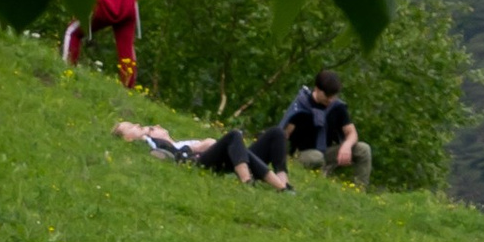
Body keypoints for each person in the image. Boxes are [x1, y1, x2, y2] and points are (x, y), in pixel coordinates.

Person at [266, 66, 370, 185]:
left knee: (364, 149)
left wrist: (346, 145)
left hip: (326, 152)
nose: (331, 100)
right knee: (316, 157)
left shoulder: (337, 108)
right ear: (317, 89)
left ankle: (359, 189)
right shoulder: (301, 106)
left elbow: (351, 133)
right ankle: (320, 181)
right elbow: (284, 134)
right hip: (303, 154)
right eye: (328, 96)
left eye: (333, 96)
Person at [113, 117, 286, 188]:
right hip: (199, 161)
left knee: (277, 133)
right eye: (151, 129)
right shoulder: (151, 143)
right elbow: (160, 152)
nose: (155, 127)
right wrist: (198, 147)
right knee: (234, 135)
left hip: (232, 155)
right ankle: (247, 180)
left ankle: (283, 182)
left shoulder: (179, 142)